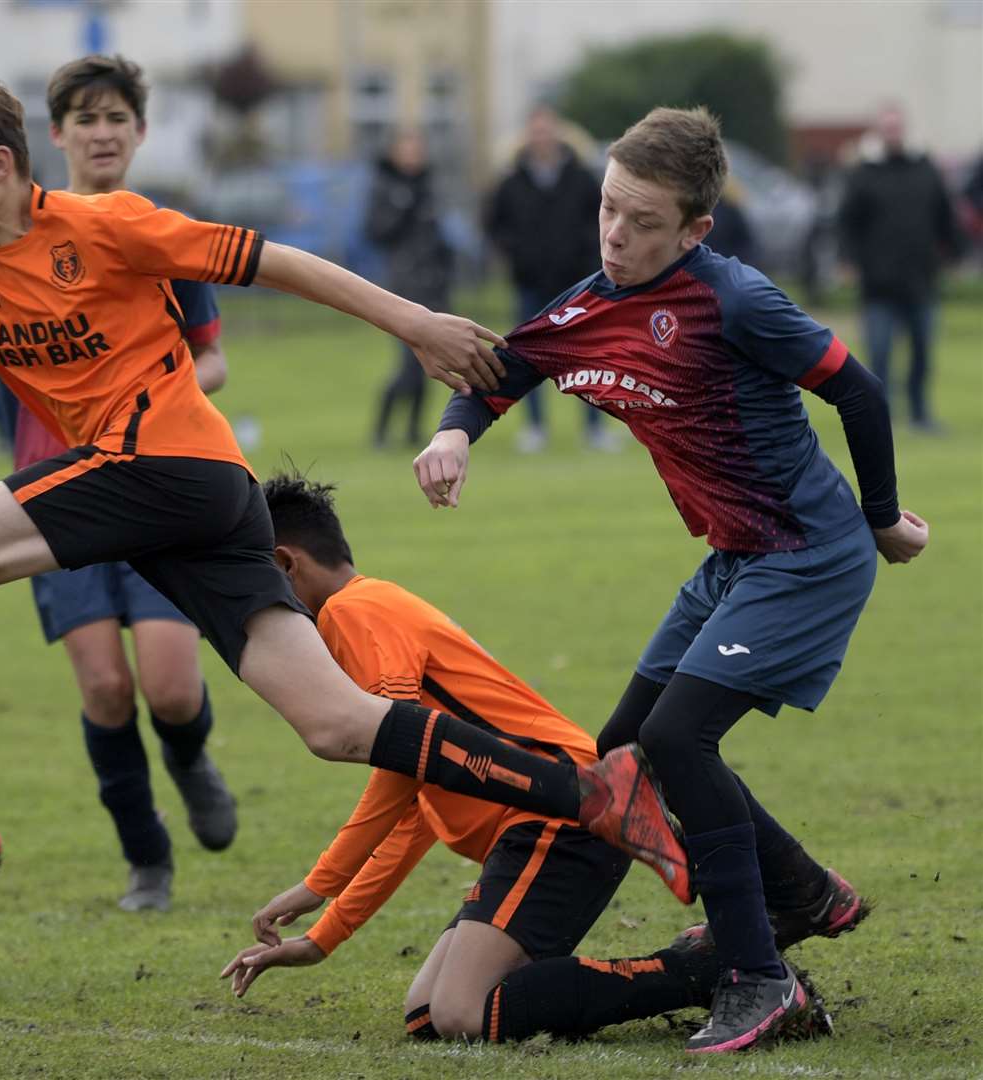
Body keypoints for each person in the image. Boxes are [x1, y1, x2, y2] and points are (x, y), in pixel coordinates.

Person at [0, 43, 690, 911]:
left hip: (163, 462)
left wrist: (413, 322)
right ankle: (591, 790)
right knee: (334, 724)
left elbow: (275, 259)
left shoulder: (105, 226)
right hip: (205, 501)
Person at [415, 106, 924, 1053]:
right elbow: (502, 373)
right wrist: (452, 433)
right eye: (610, 208)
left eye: (644, 221)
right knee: (625, 754)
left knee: (678, 739)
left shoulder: (734, 299)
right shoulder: (590, 303)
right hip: (732, 560)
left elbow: (856, 387)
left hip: (805, 553)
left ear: (696, 229)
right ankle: (802, 892)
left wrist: (883, 516)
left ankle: (757, 978)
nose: (616, 232)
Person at [222, 472, 838, 1046]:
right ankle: (706, 969)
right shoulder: (368, 610)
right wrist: (324, 936)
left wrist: (317, 886)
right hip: (543, 825)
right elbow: (414, 803)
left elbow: (396, 761)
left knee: (464, 1012)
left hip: (563, 816)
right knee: (428, 1013)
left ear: (284, 565)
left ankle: (703, 970)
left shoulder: (353, 613)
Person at [0, 53, 241, 913]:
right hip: (48, 492)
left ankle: (189, 755)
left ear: (140, 132)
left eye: (118, 119)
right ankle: (147, 860)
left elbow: (206, 358)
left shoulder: (141, 231)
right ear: (50, 136)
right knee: (103, 686)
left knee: (171, 687)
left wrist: (154, 396)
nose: (102, 134)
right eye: (85, 120)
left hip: (155, 475)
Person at [485, 105, 612, 454]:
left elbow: (600, 218)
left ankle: (594, 428)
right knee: (528, 356)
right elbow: (495, 226)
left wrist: (586, 253)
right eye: (535, 130)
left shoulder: (582, 178)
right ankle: (536, 427)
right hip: (530, 282)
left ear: (558, 132)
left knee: (587, 356)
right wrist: (517, 253)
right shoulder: (511, 183)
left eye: (547, 129)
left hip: (576, 282)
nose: (542, 136)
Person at [838, 103, 964, 432]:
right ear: (880, 132)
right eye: (887, 128)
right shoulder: (864, 173)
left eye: (897, 127)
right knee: (879, 355)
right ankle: (882, 417)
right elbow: (847, 223)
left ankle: (920, 413)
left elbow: (944, 215)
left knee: (922, 350)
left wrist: (955, 254)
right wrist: (848, 260)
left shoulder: (925, 168)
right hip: (878, 283)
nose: (893, 133)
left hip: (921, 279)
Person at [365, 129, 454, 448]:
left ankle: (414, 430)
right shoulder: (386, 187)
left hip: (432, 285)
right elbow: (375, 231)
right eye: (408, 148)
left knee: (430, 363)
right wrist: (402, 210)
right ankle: (381, 428)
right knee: (408, 365)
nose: (414, 155)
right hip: (404, 286)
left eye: (418, 149)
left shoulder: (428, 186)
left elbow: (437, 234)